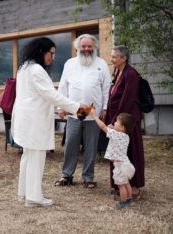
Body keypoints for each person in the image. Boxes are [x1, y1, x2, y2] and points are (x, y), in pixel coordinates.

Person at [11, 37, 86, 207]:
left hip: (26, 120)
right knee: (36, 158)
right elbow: (52, 95)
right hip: (34, 121)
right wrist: (78, 108)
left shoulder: (24, 68)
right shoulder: (36, 70)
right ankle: (34, 198)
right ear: (41, 51)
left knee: (28, 157)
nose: (52, 57)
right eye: (50, 53)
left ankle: (24, 194)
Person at [54, 34, 111, 188]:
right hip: (74, 111)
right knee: (71, 144)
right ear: (77, 47)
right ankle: (67, 175)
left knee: (91, 146)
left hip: (93, 112)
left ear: (94, 47)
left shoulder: (101, 64)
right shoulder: (70, 63)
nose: (86, 49)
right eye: (83, 46)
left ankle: (88, 177)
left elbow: (106, 88)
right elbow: (63, 86)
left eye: (89, 46)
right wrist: (60, 107)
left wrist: (105, 107)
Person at [105, 45, 144, 199]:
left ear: (124, 58)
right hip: (116, 119)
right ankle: (119, 184)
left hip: (127, 121)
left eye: (115, 57)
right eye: (112, 56)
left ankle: (134, 187)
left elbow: (127, 99)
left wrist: (116, 122)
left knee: (131, 152)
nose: (112, 59)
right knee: (117, 152)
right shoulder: (117, 71)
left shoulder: (131, 74)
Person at [89, 109, 136, 209]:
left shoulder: (116, 134)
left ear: (122, 127)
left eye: (117, 122)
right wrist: (113, 129)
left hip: (120, 167)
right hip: (126, 164)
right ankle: (130, 199)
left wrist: (94, 116)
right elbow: (115, 133)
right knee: (126, 183)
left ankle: (123, 202)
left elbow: (102, 127)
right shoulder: (125, 136)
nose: (114, 122)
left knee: (121, 186)